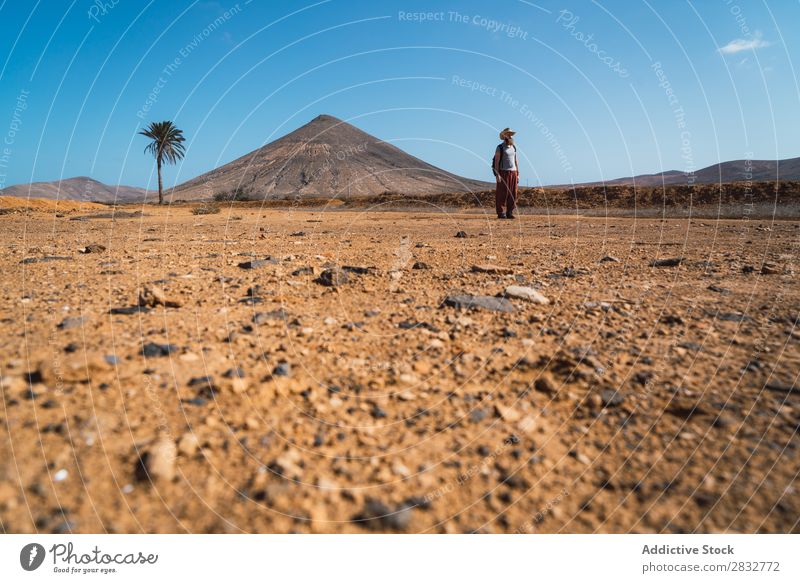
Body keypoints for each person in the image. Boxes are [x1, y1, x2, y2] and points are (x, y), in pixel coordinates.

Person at [493, 128, 520, 219]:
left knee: (513, 193)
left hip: (513, 172)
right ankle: (501, 213)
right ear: (505, 136)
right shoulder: (500, 147)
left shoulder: (514, 147)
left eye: (511, 135)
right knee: (502, 193)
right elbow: (496, 161)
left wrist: (518, 173)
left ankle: (510, 212)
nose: (511, 136)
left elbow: (516, 161)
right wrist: (497, 174)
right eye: (509, 134)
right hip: (503, 172)